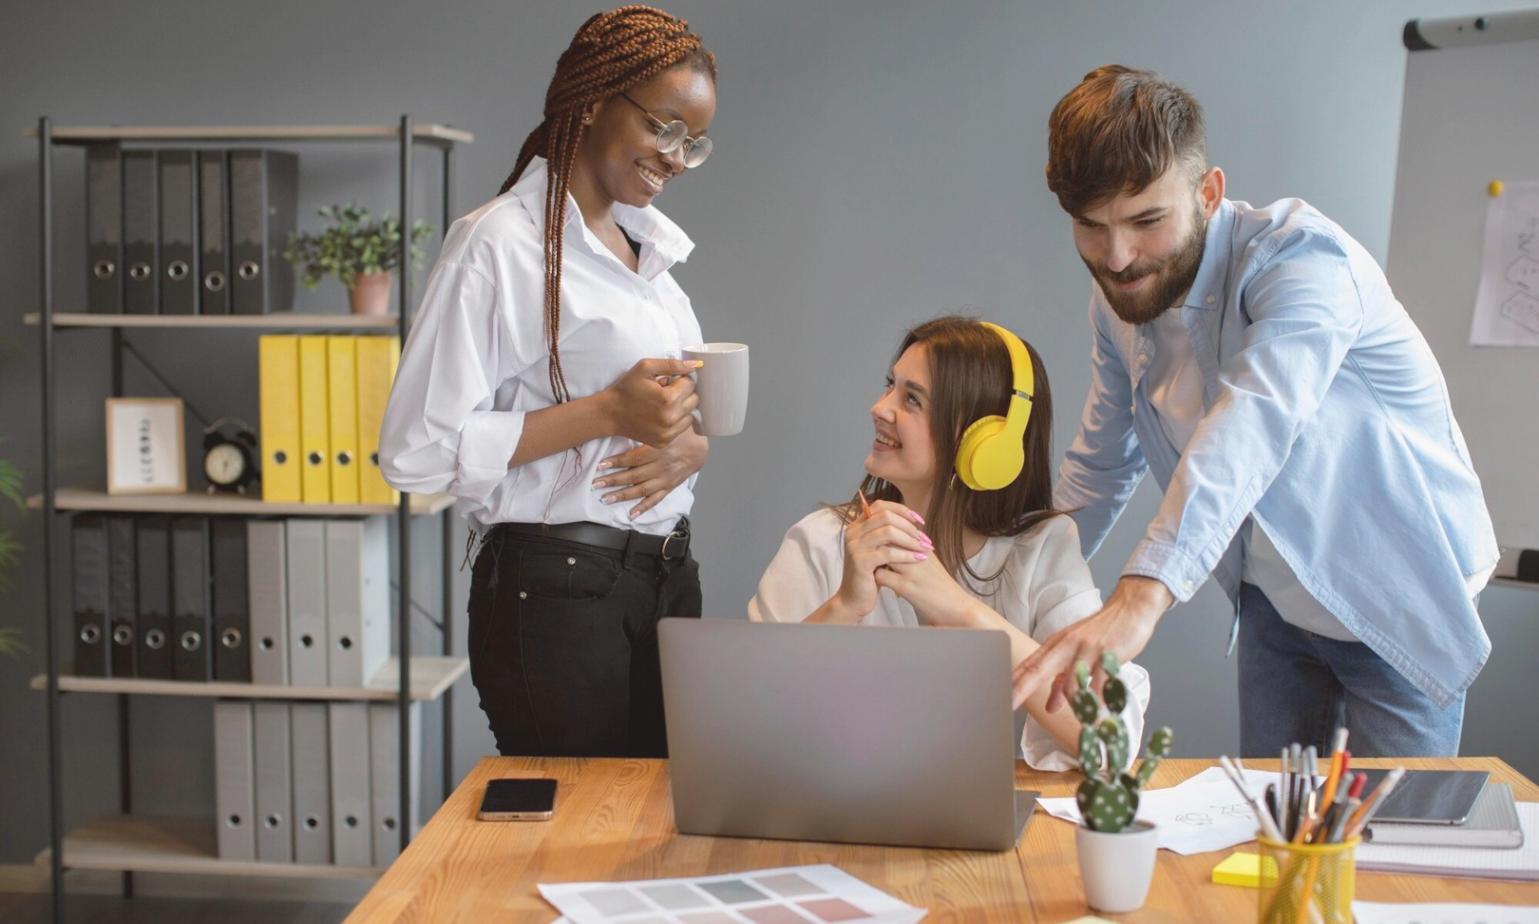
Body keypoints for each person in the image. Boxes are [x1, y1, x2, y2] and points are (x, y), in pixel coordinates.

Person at [1012, 66, 1498, 758]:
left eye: (1146, 220)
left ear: (1207, 193)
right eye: (1091, 228)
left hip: (1399, 585)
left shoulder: (1304, 261)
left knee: (1395, 847)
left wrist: (1139, 596)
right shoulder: (1117, 303)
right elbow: (1098, 464)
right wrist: (1011, 582)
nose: (1117, 258)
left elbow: (1252, 422)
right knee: (1272, 832)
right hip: (1274, 595)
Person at [378, 5, 719, 758]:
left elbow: (666, 412)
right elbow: (413, 453)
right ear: (593, 100)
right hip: (557, 586)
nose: (674, 156)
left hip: (663, 579)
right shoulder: (501, 243)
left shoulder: (649, 255)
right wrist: (603, 412)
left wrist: (689, 447)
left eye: (692, 143)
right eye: (663, 128)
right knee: (576, 830)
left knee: (657, 828)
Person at [750, 316, 1150, 769]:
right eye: (890, 386)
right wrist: (843, 605)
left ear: (987, 444)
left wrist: (960, 609)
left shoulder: (1045, 548)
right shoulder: (820, 541)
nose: (879, 408)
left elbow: (1111, 740)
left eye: (912, 399)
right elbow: (744, 723)